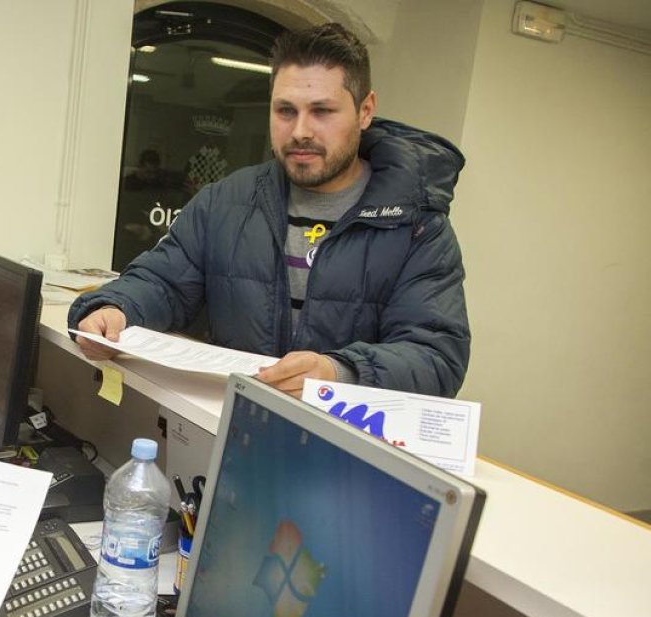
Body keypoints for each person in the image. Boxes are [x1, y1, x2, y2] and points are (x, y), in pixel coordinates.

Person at [71, 23, 469, 398]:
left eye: (322, 111)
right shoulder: (224, 202)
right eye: (285, 111)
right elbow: (163, 282)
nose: (300, 131)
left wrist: (339, 372)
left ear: (365, 111)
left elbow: (437, 356)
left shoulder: (417, 224)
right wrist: (113, 309)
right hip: (229, 429)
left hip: (346, 448)